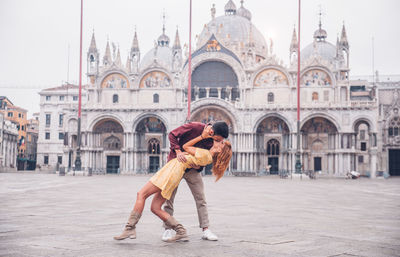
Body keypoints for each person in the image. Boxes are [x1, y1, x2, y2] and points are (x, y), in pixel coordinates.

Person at [113, 128, 232, 242]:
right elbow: (181, 144)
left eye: (221, 143)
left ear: (220, 150)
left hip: (172, 172)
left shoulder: (206, 155)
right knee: (155, 208)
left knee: (141, 194)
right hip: (173, 170)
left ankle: (130, 228)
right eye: (219, 140)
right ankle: (180, 230)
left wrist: (200, 138)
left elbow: (186, 147)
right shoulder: (205, 153)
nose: (217, 141)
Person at [162, 121, 229, 242]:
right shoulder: (194, 126)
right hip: (176, 164)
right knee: (169, 198)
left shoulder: (212, 140)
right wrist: (177, 151)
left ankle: (206, 230)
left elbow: (205, 158)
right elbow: (172, 134)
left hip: (192, 169)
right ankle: (167, 229)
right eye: (218, 139)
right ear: (212, 131)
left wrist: (199, 167)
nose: (218, 142)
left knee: (201, 198)